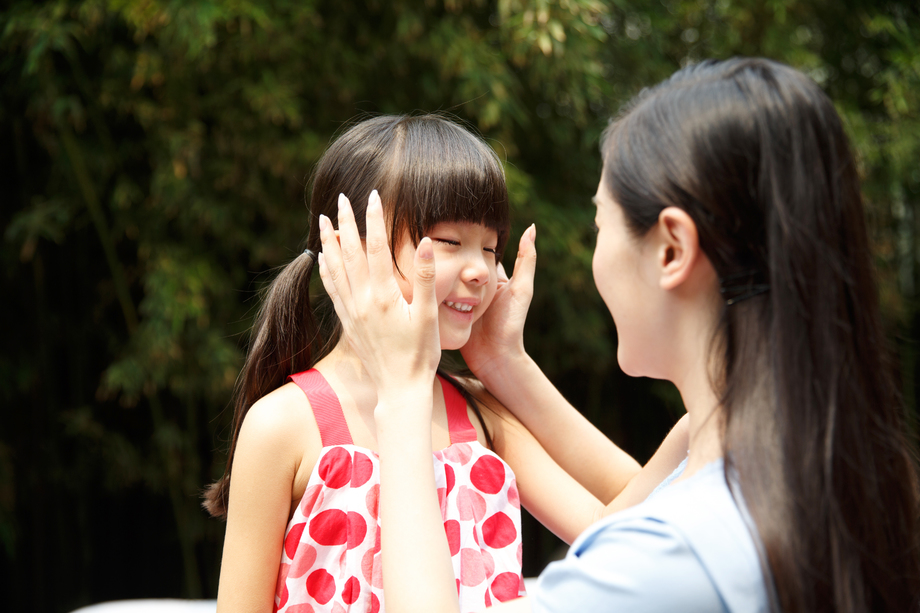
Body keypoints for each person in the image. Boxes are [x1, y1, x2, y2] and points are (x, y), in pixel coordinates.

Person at [316, 59, 920, 613]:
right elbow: (625, 510)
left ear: (671, 249)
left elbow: (635, 534)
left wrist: (402, 390)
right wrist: (503, 361)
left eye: (601, 221)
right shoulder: (814, 460)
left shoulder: (672, 559)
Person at [204, 114, 690, 613]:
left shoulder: (478, 413)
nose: (480, 269)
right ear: (347, 247)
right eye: (450, 243)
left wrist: (697, 424)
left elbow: (621, 536)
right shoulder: (281, 424)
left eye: (491, 246)